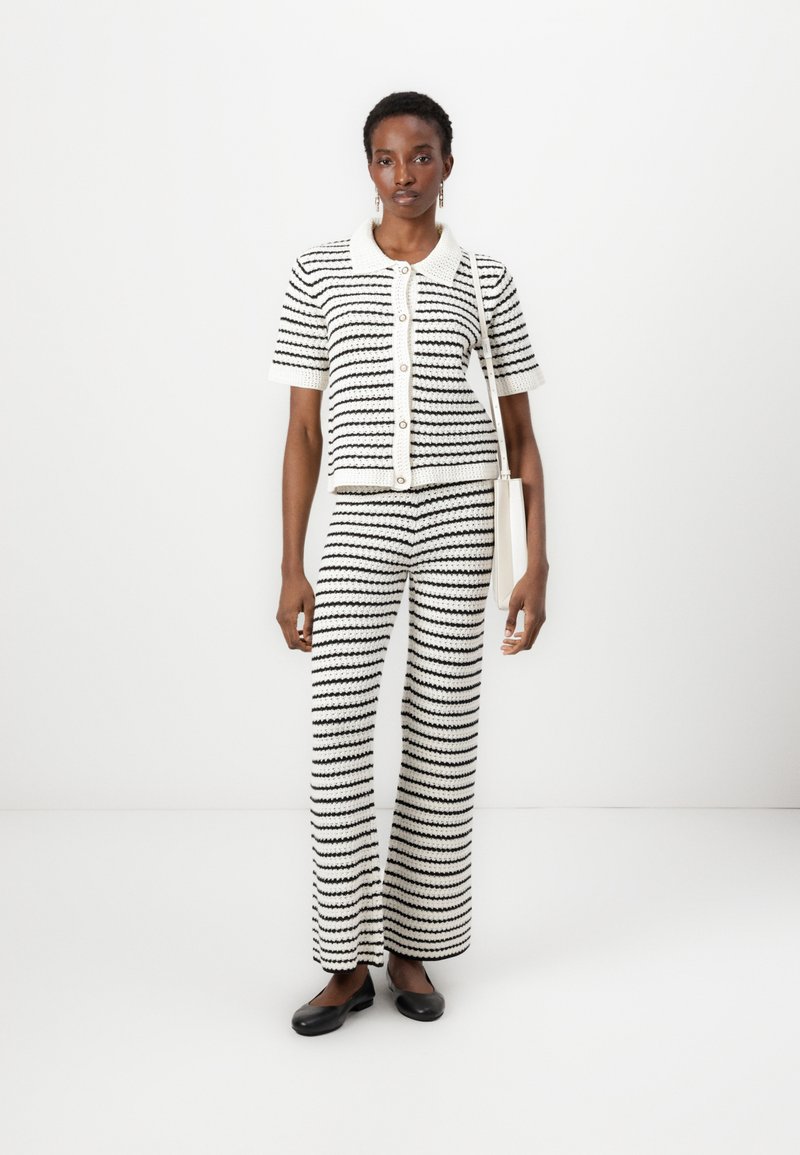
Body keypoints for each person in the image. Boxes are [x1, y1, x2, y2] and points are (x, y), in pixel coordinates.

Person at [270, 91, 550, 1036]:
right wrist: (292, 565)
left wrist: (536, 562)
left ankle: (412, 947)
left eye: (422, 156)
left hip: (462, 514)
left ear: (448, 165)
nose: (405, 176)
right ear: (369, 168)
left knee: (443, 729)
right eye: (388, 159)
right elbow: (303, 431)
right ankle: (344, 959)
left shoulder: (485, 280)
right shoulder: (318, 274)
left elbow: (519, 434)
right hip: (359, 514)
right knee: (339, 728)